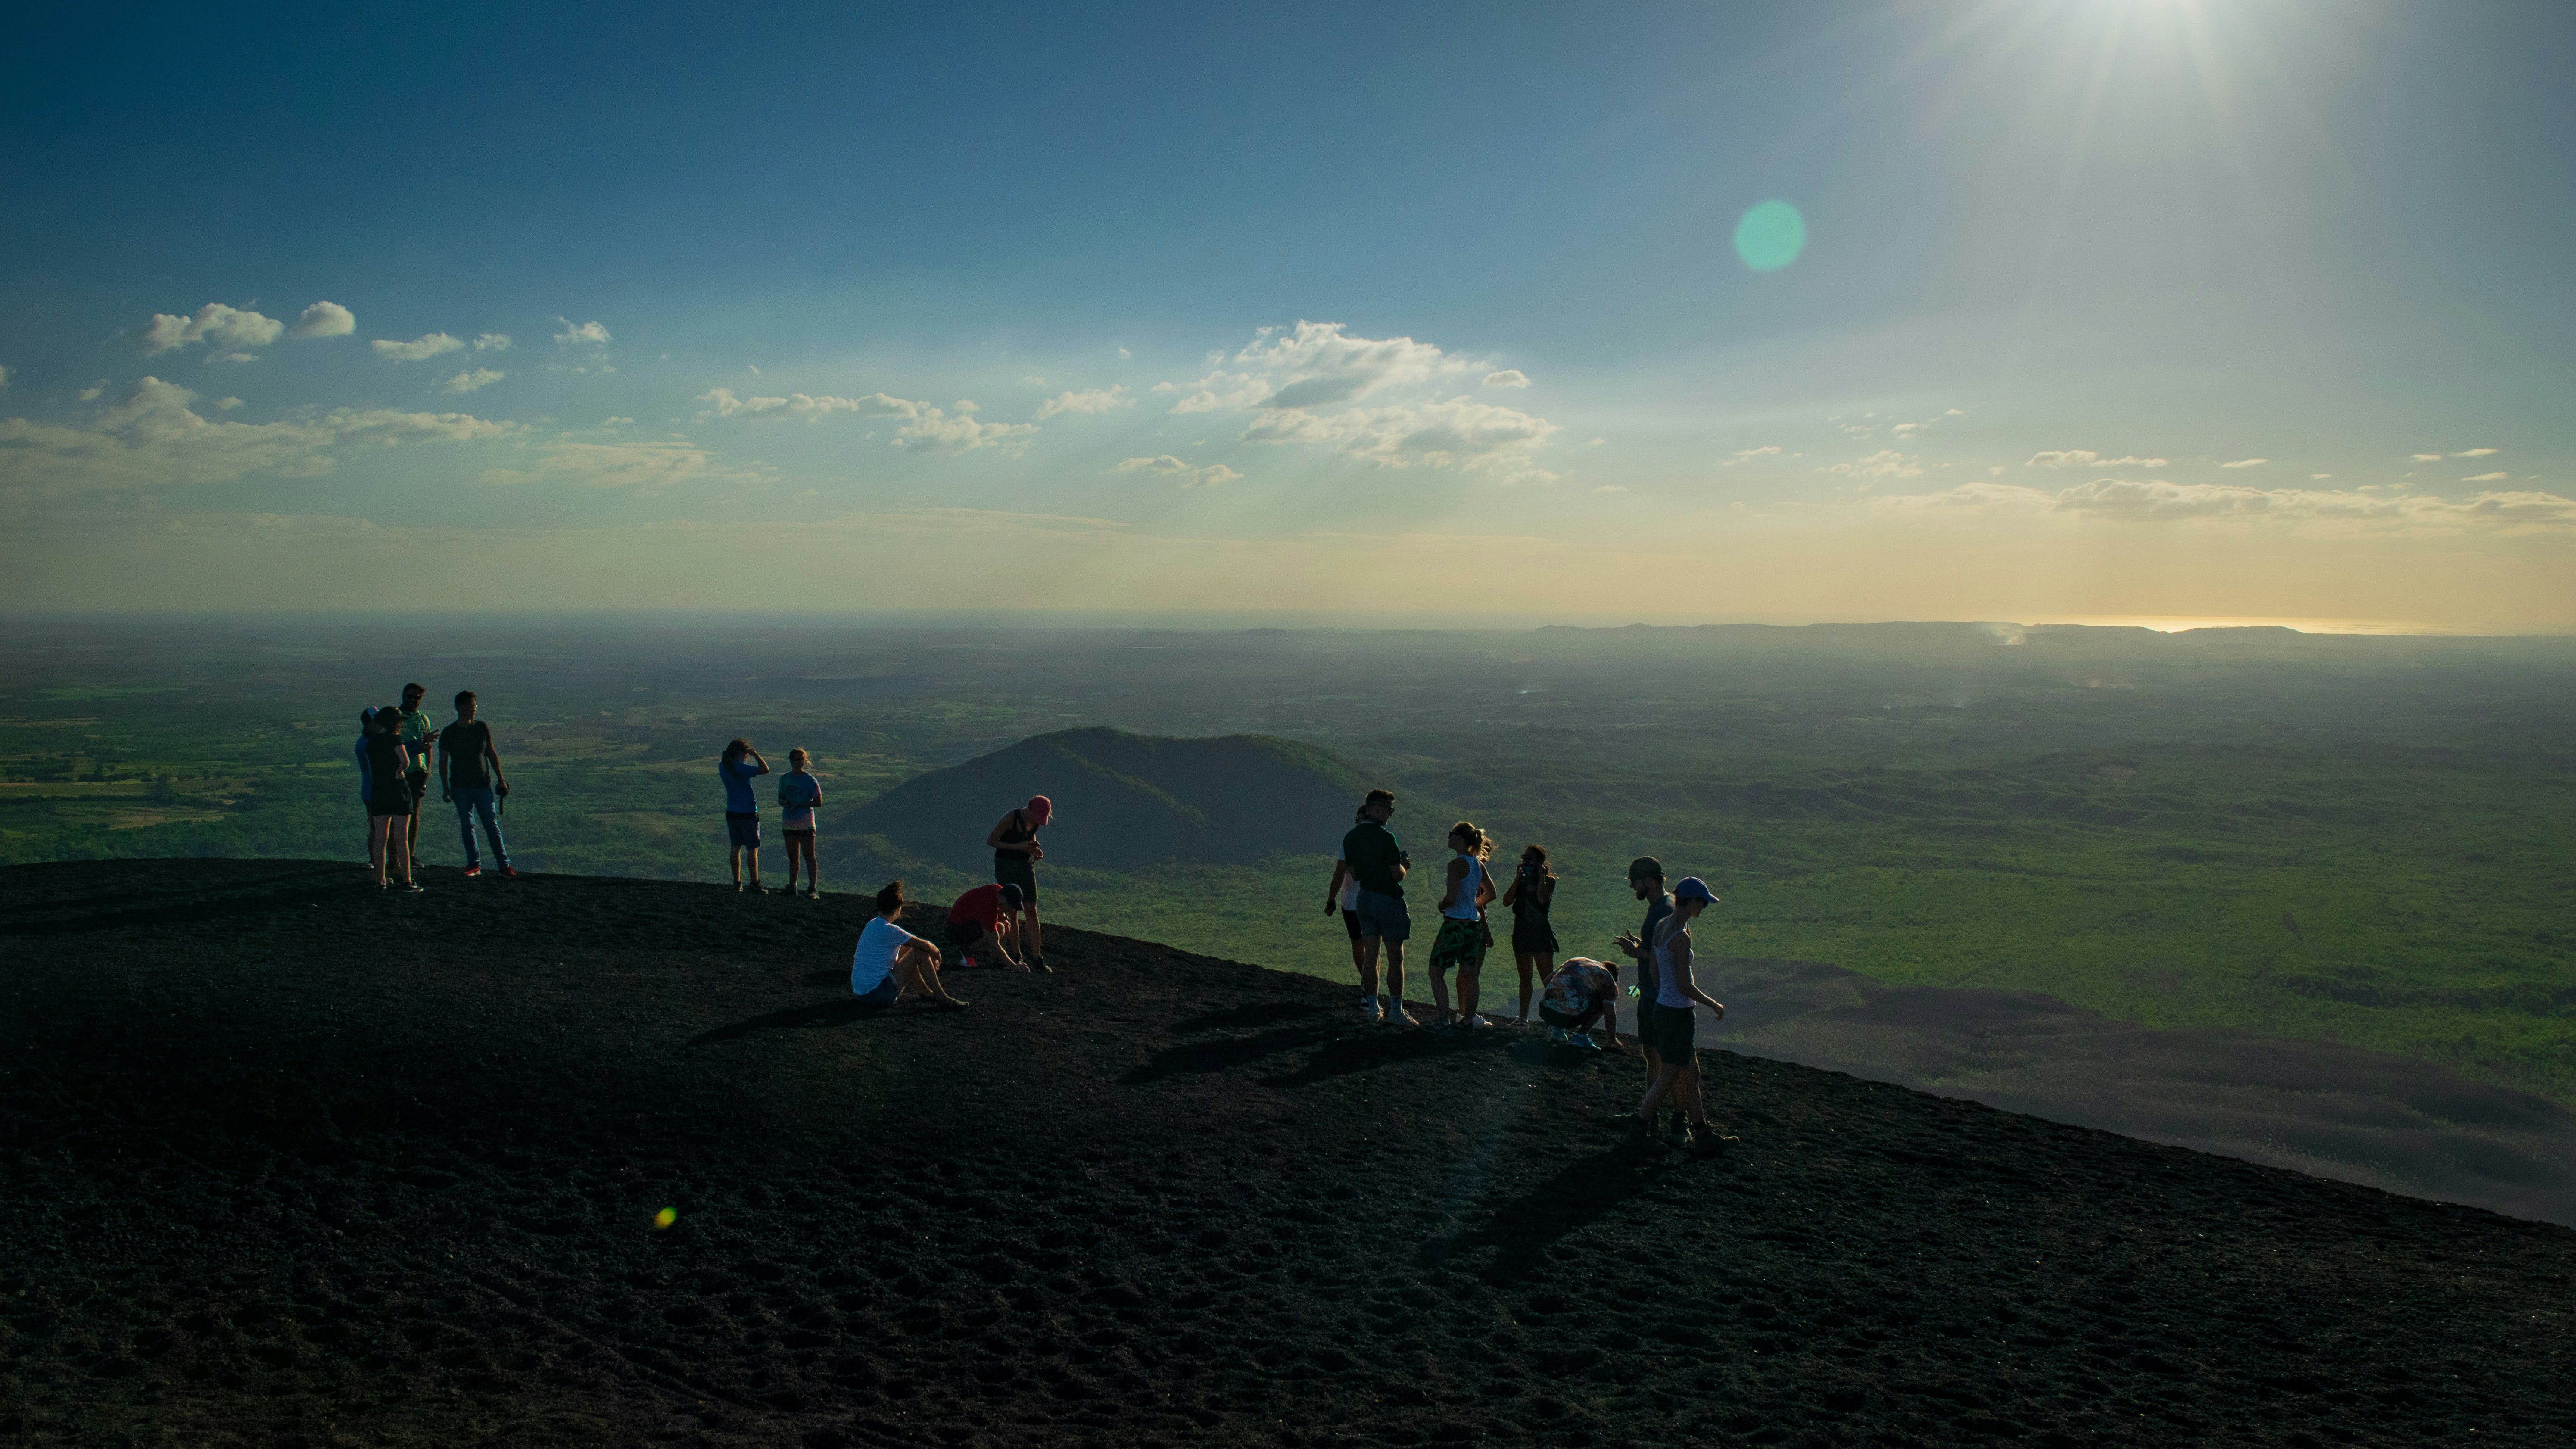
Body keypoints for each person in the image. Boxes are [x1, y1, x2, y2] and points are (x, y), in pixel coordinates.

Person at [1623, 876, 1730, 1155]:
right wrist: (1713, 1004)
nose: (1704, 907)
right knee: (1671, 1073)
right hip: (1678, 1013)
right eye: (1703, 902)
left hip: (1664, 1007)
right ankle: (1639, 1127)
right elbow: (1685, 985)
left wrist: (1664, 997)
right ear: (1692, 901)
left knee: (1690, 1072)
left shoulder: (1662, 927)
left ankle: (1701, 1133)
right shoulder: (1681, 937)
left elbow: (1656, 973)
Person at [1342, 789, 1414, 1028]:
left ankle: (1373, 1008)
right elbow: (1396, 875)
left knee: (1371, 956)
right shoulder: (1387, 838)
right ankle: (1396, 1011)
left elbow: (1355, 873)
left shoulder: (1350, 838)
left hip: (1365, 899)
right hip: (1388, 900)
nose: (1390, 814)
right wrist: (1404, 866)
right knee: (1396, 957)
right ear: (1379, 808)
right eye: (1389, 809)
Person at [1612, 858, 1674, 1127]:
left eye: (1635, 882)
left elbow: (1667, 957)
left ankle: (1654, 1116)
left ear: (1647, 881)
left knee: (1659, 1058)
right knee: (1652, 1054)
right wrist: (1641, 946)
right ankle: (1651, 1114)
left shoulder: (1662, 910)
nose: (1633, 888)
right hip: (1651, 991)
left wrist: (1637, 952)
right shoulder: (1664, 906)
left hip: (1656, 993)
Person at [851, 881, 969, 1011]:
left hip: (862, 994)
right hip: (879, 995)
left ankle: (925, 991)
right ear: (897, 909)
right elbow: (926, 946)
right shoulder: (890, 930)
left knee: (907, 949)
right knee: (919, 952)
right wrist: (937, 953)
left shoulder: (872, 925)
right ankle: (943, 999)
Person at [1426, 821, 1499, 1028]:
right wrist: (1473, 905)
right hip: (1473, 926)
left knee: (1436, 972)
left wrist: (1442, 905)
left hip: (1454, 925)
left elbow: (1451, 897)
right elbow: (1491, 894)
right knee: (1470, 973)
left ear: (1460, 838)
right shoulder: (1478, 864)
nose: (1449, 837)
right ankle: (1468, 1019)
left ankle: (1443, 1021)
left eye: (1452, 834)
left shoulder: (1456, 865)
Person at [437, 690, 514, 879]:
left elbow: (491, 753)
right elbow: (443, 762)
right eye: (471, 706)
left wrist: (501, 778)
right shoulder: (449, 732)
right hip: (460, 787)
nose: (474, 709)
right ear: (460, 708)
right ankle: (475, 864)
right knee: (468, 825)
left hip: (482, 785)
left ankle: (503, 865)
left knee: (491, 825)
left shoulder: (482, 728)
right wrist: (446, 787)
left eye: (475, 706)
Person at [986, 795, 1051, 969]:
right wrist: (1018, 847)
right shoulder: (1010, 819)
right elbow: (991, 841)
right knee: (1012, 909)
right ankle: (1015, 954)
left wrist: (1034, 851)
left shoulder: (1036, 821)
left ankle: (1038, 958)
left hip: (1025, 865)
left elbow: (1031, 838)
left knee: (1032, 909)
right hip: (1006, 865)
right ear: (1030, 809)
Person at [1322, 805, 1376, 1013]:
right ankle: (1371, 987)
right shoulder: (1381, 839)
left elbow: (1339, 873)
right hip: (1373, 901)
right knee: (1373, 948)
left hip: (1352, 903)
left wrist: (1330, 900)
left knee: (1359, 945)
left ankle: (1367, 986)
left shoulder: (1350, 840)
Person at [1500, 843, 1559, 1028]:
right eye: (1524, 858)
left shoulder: (1550, 881)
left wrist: (1541, 877)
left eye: (1529, 859)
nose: (1525, 862)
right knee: (1525, 978)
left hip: (1540, 933)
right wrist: (1517, 880)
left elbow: (1542, 900)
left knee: (1547, 978)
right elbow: (1506, 901)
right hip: (1522, 932)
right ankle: (1523, 1018)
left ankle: (1555, 1020)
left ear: (1540, 862)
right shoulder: (1522, 881)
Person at [363, 705, 421, 892]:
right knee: (401, 838)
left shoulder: (371, 742)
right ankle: (407, 880)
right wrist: (398, 772)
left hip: (379, 790)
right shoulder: (395, 739)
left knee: (381, 838)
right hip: (397, 789)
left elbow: (373, 769)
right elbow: (405, 761)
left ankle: (380, 880)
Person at [719, 739, 771, 893]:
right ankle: (754, 883)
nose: (747, 757)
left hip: (732, 812)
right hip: (748, 813)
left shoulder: (723, 767)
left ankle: (737, 882)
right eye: (746, 754)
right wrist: (756, 754)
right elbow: (765, 770)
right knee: (752, 848)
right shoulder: (740, 768)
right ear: (740, 753)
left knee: (735, 848)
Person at [942, 881, 1029, 970]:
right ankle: (966, 950)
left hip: (959, 925)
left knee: (1002, 926)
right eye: (1011, 906)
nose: (1011, 910)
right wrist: (1014, 966)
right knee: (997, 931)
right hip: (955, 931)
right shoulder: (989, 905)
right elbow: (994, 943)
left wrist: (1004, 919)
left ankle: (998, 960)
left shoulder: (998, 890)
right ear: (1004, 900)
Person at [1539, 955, 1620, 1050]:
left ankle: (1558, 1031)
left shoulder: (1576, 960)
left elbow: (1547, 981)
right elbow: (1610, 1014)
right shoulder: (1608, 979)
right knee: (1605, 1004)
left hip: (1545, 1012)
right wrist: (1612, 1038)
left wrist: (1557, 1002)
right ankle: (1581, 1037)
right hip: (1569, 1019)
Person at [396, 682, 436, 863]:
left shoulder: (423, 719)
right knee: (395, 814)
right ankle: (394, 857)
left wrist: (427, 771)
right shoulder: (395, 717)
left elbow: (428, 748)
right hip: (398, 771)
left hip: (417, 772)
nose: (413, 700)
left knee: (413, 813)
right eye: (410, 697)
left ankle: (410, 854)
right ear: (403, 696)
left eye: (417, 698)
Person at [776, 748, 823, 898]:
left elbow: (819, 802)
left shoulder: (810, 780)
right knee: (793, 857)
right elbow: (780, 799)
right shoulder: (784, 779)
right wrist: (785, 803)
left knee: (809, 856)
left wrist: (800, 805)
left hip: (806, 823)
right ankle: (793, 886)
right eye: (796, 760)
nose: (799, 763)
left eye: (801, 760)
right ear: (791, 761)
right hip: (789, 822)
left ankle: (813, 889)